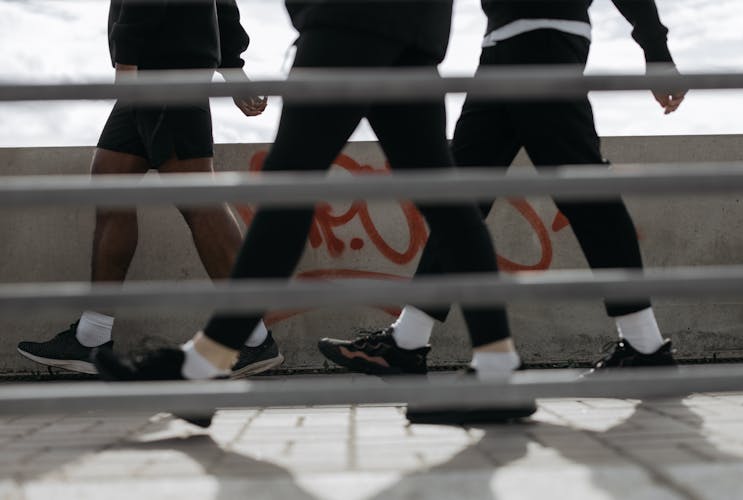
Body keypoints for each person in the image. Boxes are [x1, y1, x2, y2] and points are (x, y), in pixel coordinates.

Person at [92, 0, 538, 426]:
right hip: (414, 23)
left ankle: (203, 364)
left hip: (345, 22)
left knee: (291, 191)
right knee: (442, 195)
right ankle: (497, 369)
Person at [318, 0, 686, 377]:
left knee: (584, 189)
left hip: (545, 37)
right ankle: (406, 342)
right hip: (499, 47)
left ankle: (646, 347)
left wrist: (656, 49)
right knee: (461, 199)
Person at [17, 0, 282, 379]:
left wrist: (128, 62)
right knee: (110, 182)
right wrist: (233, 67)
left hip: (161, 69)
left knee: (198, 201)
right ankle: (91, 337)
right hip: (164, 64)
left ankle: (252, 338)